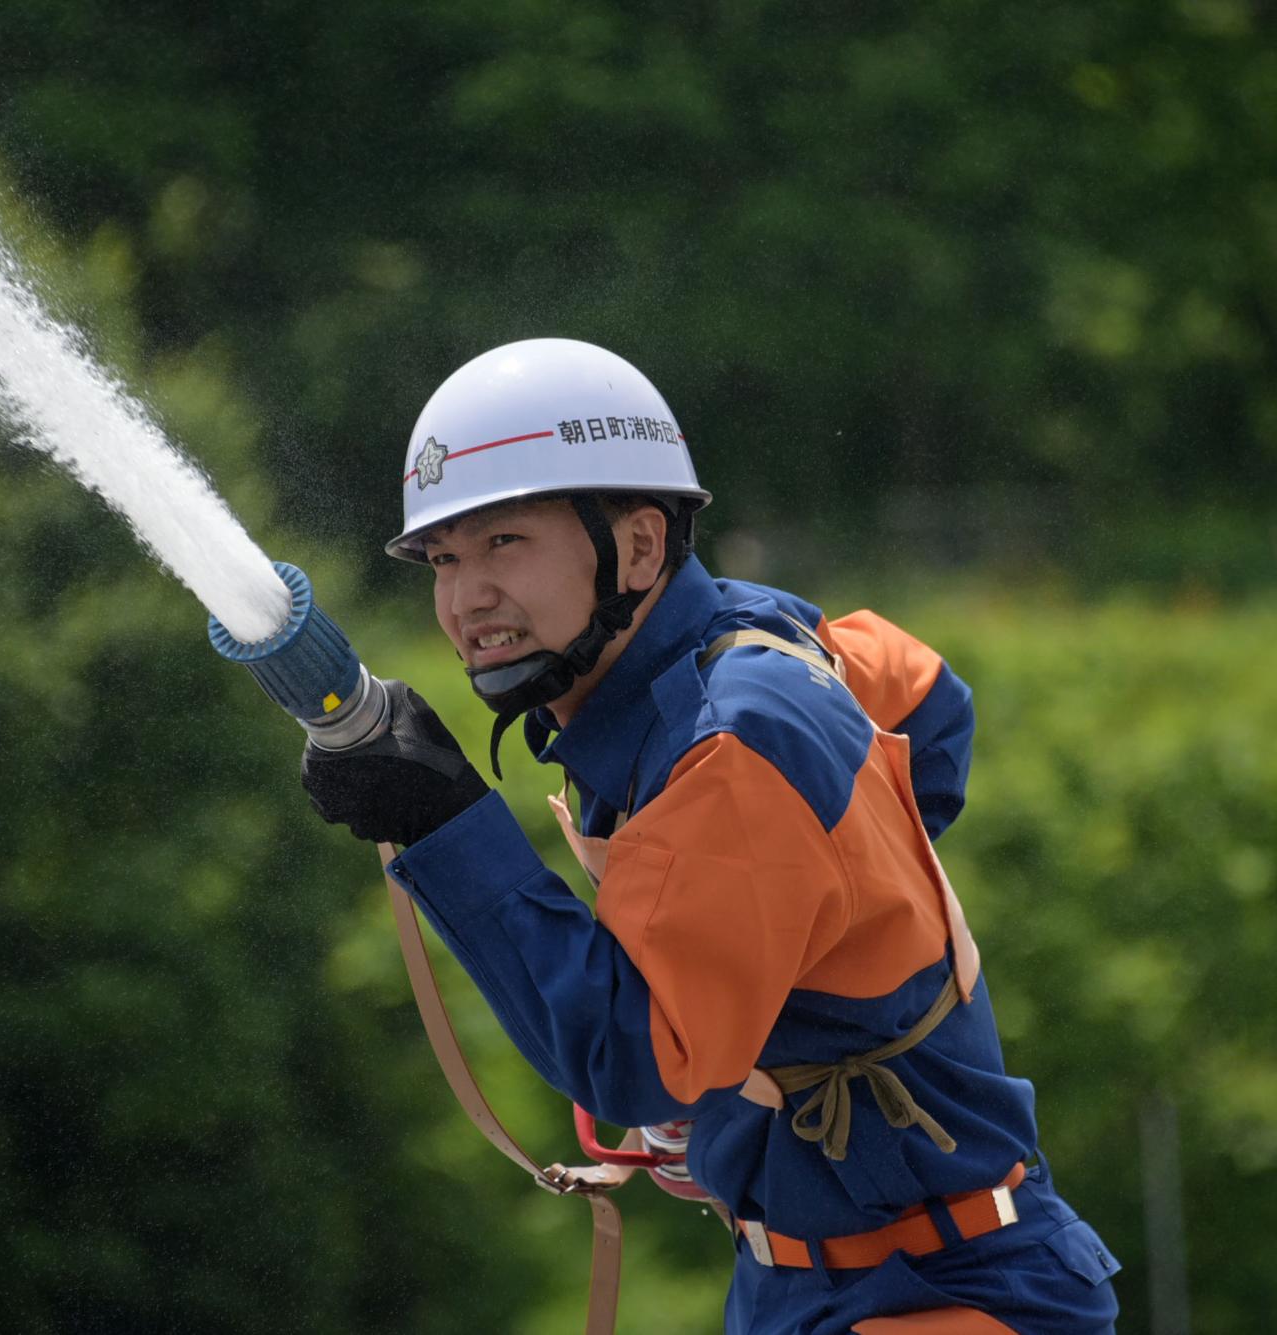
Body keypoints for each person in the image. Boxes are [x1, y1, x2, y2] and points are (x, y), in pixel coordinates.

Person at [301, 339, 1122, 1334]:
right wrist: (790, 953)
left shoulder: (731, 734)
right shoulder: (751, 631)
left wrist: (443, 820)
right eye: (443, 559)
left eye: (503, 544)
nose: (465, 598)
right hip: (801, 1284)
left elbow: (632, 1060)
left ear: (640, 547)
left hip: (940, 1293)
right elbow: (927, 699)